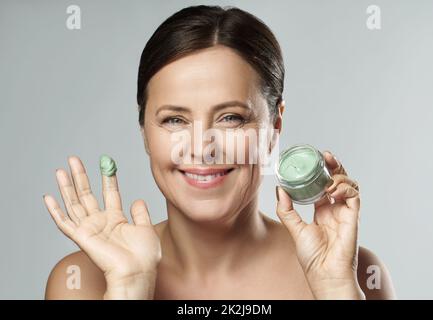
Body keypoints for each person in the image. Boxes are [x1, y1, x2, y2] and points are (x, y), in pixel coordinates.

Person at [43, 5, 396, 299]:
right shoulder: (83, 281)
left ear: (274, 127)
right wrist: (128, 287)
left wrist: (335, 287)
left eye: (230, 118)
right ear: (144, 132)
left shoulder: (356, 273)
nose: (201, 148)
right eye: (175, 120)